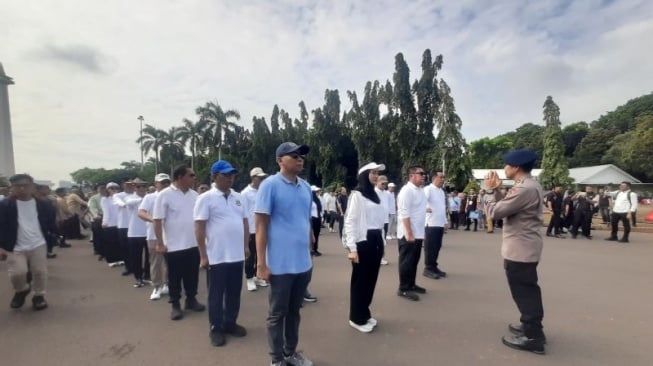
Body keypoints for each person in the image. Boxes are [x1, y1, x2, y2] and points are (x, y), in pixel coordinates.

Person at [255, 141, 314, 366]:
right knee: (277, 315)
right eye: (294, 155)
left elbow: (305, 221)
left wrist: (309, 248)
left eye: (301, 156)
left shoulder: (306, 187)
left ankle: (290, 353)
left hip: (302, 264)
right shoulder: (269, 185)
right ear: (280, 160)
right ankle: (276, 359)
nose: (300, 159)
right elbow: (261, 226)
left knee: (294, 312)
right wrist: (261, 263)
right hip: (279, 265)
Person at [483, 149, 546, 354]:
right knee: (525, 290)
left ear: (516, 167)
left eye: (507, 165)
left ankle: (533, 336)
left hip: (521, 249)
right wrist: (499, 191)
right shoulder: (526, 185)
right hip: (523, 247)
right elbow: (508, 205)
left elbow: (495, 212)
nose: (504, 168)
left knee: (525, 292)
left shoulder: (524, 189)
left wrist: (489, 191)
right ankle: (531, 327)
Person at [195, 160, 249, 347]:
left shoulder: (238, 196)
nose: (230, 178)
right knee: (216, 294)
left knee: (234, 292)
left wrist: (246, 246)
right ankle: (215, 328)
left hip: (236, 255)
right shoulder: (205, 198)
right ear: (214, 176)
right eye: (225, 175)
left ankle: (230, 323)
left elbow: (244, 222)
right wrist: (203, 255)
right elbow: (200, 227)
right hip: (216, 256)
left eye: (232, 175)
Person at [153, 164, 205, 321]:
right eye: (191, 175)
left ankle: (191, 300)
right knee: (174, 277)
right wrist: (160, 243)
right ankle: (175, 304)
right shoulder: (164, 195)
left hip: (193, 243)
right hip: (173, 246)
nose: (193, 178)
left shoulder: (195, 195)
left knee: (192, 275)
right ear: (180, 177)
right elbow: (157, 221)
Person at [0, 174, 57, 311]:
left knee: (39, 271)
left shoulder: (45, 204)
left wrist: (52, 237)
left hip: (38, 243)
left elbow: (50, 223)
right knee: (17, 273)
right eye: (17, 186)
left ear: (32, 186)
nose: (22, 189)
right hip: (14, 246)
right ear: (11, 188)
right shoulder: (5, 206)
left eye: (25, 185)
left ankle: (39, 296)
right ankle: (22, 290)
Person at [343, 162, 386, 333]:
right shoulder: (357, 195)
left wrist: (382, 243)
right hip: (363, 242)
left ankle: (365, 313)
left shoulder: (375, 195)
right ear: (364, 175)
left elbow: (379, 222)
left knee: (371, 280)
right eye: (373, 173)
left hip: (375, 240)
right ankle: (356, 317)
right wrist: (352, 248)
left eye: (377, 173)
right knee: (360, 281)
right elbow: (350, 221)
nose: (376, 176)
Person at [396, 165, 427, 301]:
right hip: (408, 233)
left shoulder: (420, 191)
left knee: (414, 261)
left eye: (424, 174)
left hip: (418, 232)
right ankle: (403, 288)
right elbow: (404, 213)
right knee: (406, 261)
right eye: (420, 173)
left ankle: (411, 284)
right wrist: (409, 232)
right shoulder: (406, 191)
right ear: (412, 176)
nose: (423, 176)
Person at [138, 174, 170, 301]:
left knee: (169, 261)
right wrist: (154, 220)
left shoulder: (173, 196)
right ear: (156, 184)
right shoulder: (150, 197)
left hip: (170, 234)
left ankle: (167, 283)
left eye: (167, 182)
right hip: (153, 234)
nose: (165, 185)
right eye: (162, 183)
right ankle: (157, 286)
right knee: (155, 261)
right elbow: (141, 212)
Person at [240, 167, 269, 291]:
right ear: (253, 178)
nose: (262, 180)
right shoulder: (245, 193)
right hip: (251, 230)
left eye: (263, 178)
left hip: (262, 229)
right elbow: (243, 214)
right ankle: (249, 278)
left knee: (260, 254)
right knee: (250, 255)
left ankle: (258, 276)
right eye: (259, 178)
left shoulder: (263, 191)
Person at [423, 170, 448, 280]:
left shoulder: (441, 191)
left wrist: (445, 221)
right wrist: (425, 208)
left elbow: (442, 208)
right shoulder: (428, 189)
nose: (443, 179)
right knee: (430, 248)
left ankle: (434, 266)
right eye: (441, 177)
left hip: (439, 223)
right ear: (434, 178)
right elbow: (420, 202)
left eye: (443, 177)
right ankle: (428, 269)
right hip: (431, 223)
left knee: (437, 247)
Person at [126, 178, 150, 288]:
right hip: (134, 233)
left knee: (149, 257)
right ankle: (138, 277)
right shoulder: (130, 198)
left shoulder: (149, 198)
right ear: (134, 188)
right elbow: (129, 203)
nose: (142, 188)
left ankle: (147, 276)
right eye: (139, 186)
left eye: (144, 186)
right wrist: (146, 199)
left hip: (148, 232)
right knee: (136, 257)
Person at [114, 180, 136, 276]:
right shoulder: (118, 195)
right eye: (127, 185)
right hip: (123, 225)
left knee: (135, 249)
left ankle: (137, 267)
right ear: (123, 186)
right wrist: (126, 204)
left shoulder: (137, 195)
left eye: (131, 185)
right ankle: (129, 267)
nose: (129, 186)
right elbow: (120, 203)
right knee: (125, 248)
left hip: (135, 226)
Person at [101, 183, 122, 266]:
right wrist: (104, 222)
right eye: (111, 188)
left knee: (119, 242)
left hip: (120, 223)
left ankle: (120, 258)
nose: (113, 190)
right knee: (110, 243)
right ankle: (111, 260)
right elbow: (106, 212)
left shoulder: (121, 198)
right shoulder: (105, 199)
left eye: (115, 188)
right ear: (108, 190)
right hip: (110, 223)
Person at [88, 184, 105, 259]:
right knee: (98, 236)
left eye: (104, 188)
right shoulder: (94, 198)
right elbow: (92, 208)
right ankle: (100, 251)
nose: (103, 190)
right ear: (98, 189)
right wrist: (96, 215)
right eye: (101, 188)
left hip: (109, 218)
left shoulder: (111, 197)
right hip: (98, 218)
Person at [309, 186, 323, 257]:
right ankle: (312, 250)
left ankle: (315, 249)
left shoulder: (318, 199)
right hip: (312, 219)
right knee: (312, 235)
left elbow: (320, 209)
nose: (317, 193)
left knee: (317, 234)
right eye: (316, 192)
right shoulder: (310, 200)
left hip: (318, 218)